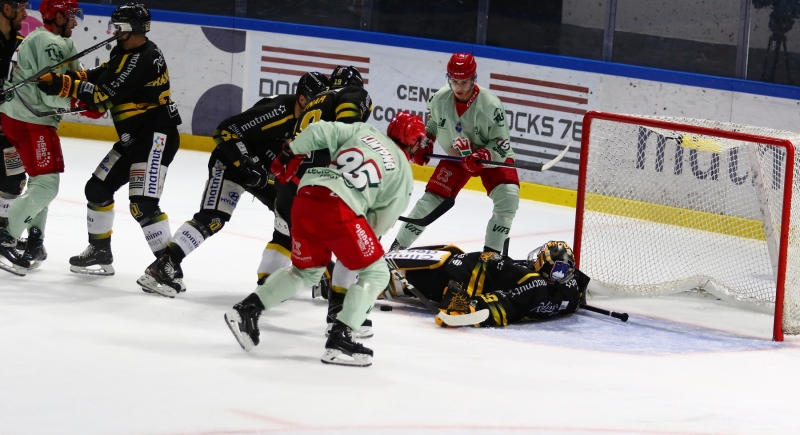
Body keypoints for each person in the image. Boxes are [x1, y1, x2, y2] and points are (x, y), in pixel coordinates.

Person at [225, 111, 426, 367]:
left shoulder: (363, 131)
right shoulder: (403, 174)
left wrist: (290, 152)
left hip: (306, 196)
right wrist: (361, 246)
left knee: (305, 272)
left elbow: (318, 130)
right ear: (412, 140)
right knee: (376, 274)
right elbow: (378, 224)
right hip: (339, 209)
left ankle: (247, 309)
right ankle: (341, 338)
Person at [135, 72, 329, 297]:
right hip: (229, 162)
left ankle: (301, 276)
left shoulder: (309, 122)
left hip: (260, 170)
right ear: (303, 99)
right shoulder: (277, 111)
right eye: (315, 103)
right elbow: (226, 131)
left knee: (291, 215)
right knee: (213, 217)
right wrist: (248, 165)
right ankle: (163, 266)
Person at [37, 2, 181, 277]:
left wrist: (61, 84)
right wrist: (67, 77)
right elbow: (100, 74)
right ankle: (100, 251)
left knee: (143, 204)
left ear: (131, 28)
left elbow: (102, 94)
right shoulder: (125, 52)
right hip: (135, 139)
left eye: (117, 26)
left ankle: (169, 268)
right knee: (97, 190)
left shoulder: (142, 59)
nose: (113, 31)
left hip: (154, 139)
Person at [272, 65, 375, 337]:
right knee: (350, 242)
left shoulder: (314, 101)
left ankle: (253, 305)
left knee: (308, 266)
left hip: (291, 191)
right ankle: (341, 314)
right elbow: (347, 131)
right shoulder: (353, 94)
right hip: (320, 188)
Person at [0, 0, 97, 276]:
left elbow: (75, 79)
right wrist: (81, 103)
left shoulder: (59, 41)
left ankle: (34, 241)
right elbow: (49, 94)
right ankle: (6, 237)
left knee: (42, 181)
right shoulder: (47, 42)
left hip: (31, 118)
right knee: (47, 186)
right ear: (56, 16)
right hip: (29, 119)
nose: (76, 22)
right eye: (71, 16)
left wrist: (87, 94)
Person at [391, 52, 520, 254]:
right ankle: (396, 249)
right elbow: (434, 121)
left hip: (490, 158)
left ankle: (491, 256)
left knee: (509, 197)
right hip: (457, 157)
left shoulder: (491, 106)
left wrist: (485, 156)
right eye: (454, 81)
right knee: (428, 204)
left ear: (474, 79)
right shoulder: (439, 99)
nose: (459, 87)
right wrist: (426, 141)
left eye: (464, 82)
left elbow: (502, 144)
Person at [385, 240, 589, 327]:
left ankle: (378, 279)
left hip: (458, 275)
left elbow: (505, 304)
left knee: (388, 274)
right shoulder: (570, 292)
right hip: (460, 263)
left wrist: (469, 309)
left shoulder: (534, 283)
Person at [0, 0, 28, 244]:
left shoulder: (23, 47)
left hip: (7, 129)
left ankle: (2, 231)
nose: (26, 13)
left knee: (14, 180)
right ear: (6, 9)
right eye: (21, 7)